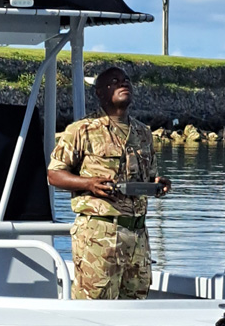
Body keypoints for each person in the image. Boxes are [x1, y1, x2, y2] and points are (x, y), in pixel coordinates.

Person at [47, 66, 170, 300]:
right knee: (94, 305)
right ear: (101, 93)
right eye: (114, 81)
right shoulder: (81, 130)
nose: (123, 84)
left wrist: (157, 184)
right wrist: (89, 183)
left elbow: (148, 176)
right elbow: (54, 175)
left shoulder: (143, 133)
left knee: (136, 305)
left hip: (137, 235)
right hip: (99, 234)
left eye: (126, 80)